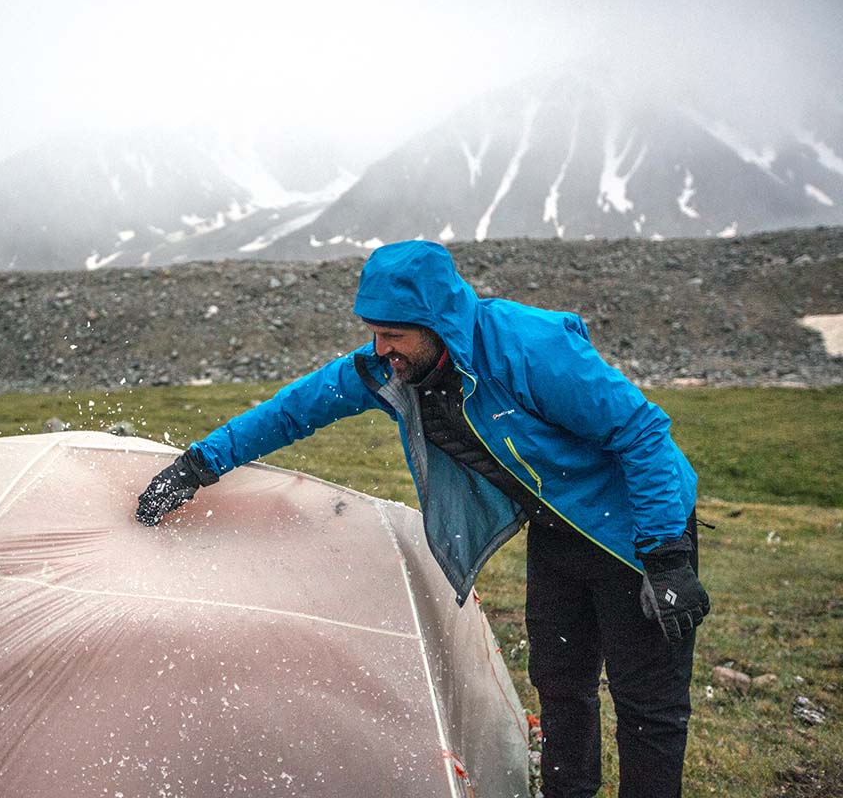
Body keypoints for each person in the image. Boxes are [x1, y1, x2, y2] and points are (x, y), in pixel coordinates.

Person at [135, 239, 710, 798]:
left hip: (636, 531)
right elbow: (294, 410)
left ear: (437, 323)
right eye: (375, 332)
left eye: (394, 334)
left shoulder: (527, 348)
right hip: (559, 531)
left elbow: (641, 431)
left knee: (647, 707)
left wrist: (666, 557)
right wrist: (197, 466)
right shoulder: (394, 372)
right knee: (561, 685)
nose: (381, 347)